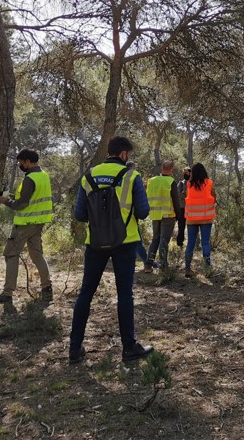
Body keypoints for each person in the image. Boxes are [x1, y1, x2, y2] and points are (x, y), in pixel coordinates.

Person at [69, 135, 152, 365]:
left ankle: (74, 349)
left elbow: (80, 215)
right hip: (126, 241)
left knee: (86, 292)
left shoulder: (88, 176)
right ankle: (129, 348)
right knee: (124, 293)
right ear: (124, 154)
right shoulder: (132, 176)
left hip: (95, 242)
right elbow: (143, 212)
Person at [0, 149, 53, 304]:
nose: (20, 165)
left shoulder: (29, 179)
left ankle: (7, 293)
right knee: (37, 255)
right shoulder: (44, 175)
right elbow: (31, 198)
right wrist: (10, 197)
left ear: (28, 161)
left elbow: (22, 205)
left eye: (21, 162)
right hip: (38, 223)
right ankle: (47, 288)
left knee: (11, 254)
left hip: (25, 223)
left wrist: (5, 201)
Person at [145, 160, 179, 271]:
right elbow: (175, 200)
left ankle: (148, 265)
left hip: (155, 215)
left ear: (161, 169)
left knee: (155, 239)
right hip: (168, 216)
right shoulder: (171, 182)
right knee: (164, 241)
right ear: (171, 170)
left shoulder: (151, 181)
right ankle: (163, 266)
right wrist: (178, 216)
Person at [183, 161, 215, 274]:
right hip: (206, 218)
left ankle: (187, 268)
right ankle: (207, 268)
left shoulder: (189, 184)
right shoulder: (209, 183)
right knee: (205, 242)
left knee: (190, 242)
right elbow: (214, 197)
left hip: (191, 218)